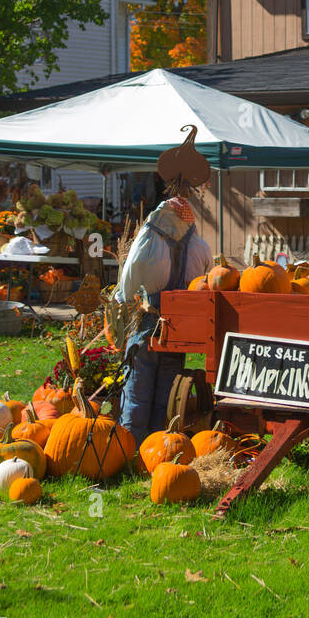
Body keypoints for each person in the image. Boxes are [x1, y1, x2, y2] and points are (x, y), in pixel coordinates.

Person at [115, 134, 213, 445]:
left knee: (138, 386)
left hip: (146, 322)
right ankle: (157, 445)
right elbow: (204, 283)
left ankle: (131, 447)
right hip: (178, 326)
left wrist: (121, 301)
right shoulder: (199, 246)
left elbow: (128, 281)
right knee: (167, 390)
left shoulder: (148, 239)